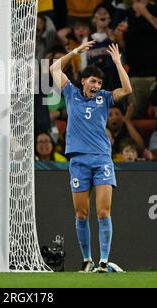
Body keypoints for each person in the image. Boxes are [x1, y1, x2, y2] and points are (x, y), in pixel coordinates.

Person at [50, 41, 132, 273]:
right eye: (93, 81)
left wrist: (117, 63)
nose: (96, 85)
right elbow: (55, 68)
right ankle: (87, 260)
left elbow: (127, 90)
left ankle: (103, 261)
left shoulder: (104, 98)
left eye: (99, 82)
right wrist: (75, 52)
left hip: (101, 159)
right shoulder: (71, 93)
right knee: (81, 213)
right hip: (78, 161)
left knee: (103, 211)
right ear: (84, 81)